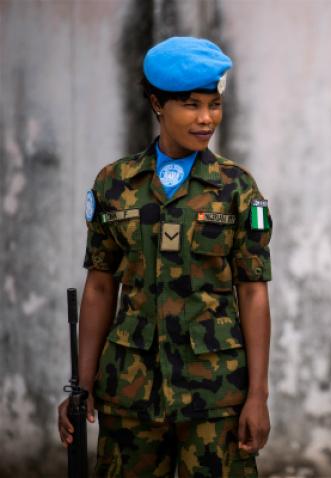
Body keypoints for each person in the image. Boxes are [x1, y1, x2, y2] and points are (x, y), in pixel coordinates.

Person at [57, 36, 272, 477]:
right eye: (191, 105)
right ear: (157, 104)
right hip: (130, 393)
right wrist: (82, 385)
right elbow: (100, 286)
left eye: (214, 104)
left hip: (215, 397)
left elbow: (253, 293)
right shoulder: (116, 184)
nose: (206, 118)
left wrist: (257, 395)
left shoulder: (236, 188)